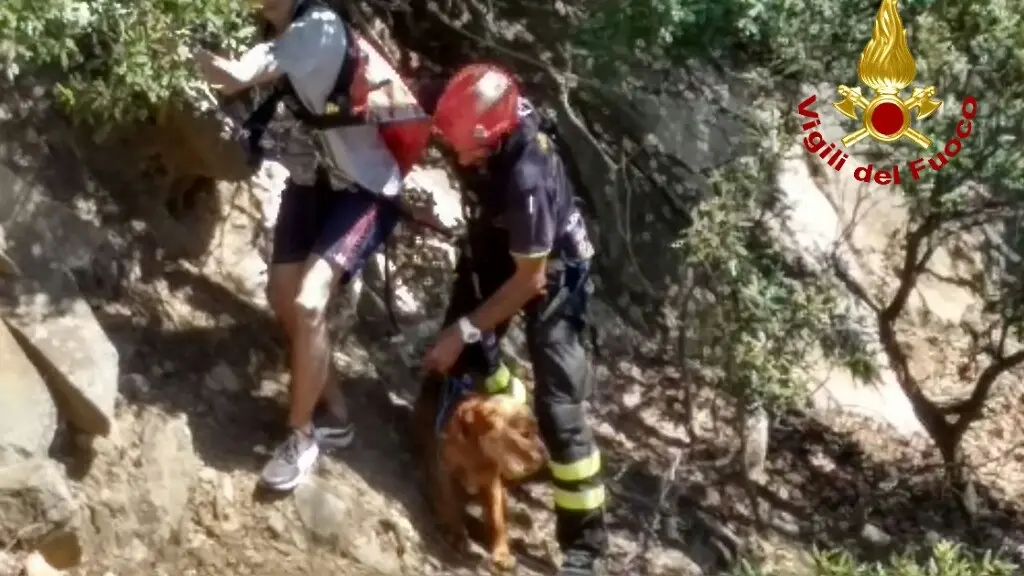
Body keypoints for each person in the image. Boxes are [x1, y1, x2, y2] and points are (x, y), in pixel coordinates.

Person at [194, 0, 435, 491]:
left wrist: (166, 38)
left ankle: (301, 436)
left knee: (307, 304)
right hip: (314, 181)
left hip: (367, 189)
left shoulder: (319, 28)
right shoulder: (281, 29)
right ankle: (337, 413)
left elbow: (235, 75)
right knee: (282, 298)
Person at [423, 64, 607, 576]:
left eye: (468, 151)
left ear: (495, 136)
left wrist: (464, 331)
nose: (458, 158)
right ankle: (435, 451)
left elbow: (530, 281)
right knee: (459, 361)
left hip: (552, 269)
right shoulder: (465, 106)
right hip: (496, 245)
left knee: (559, 406)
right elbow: (394, 87)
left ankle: (583, 549)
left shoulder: (528, 175)